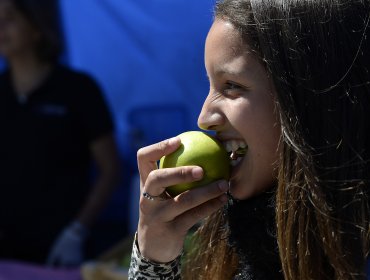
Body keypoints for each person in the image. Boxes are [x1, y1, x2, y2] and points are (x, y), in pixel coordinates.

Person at [128, 0, 370, 279]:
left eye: (231, 86)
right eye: (210, 84)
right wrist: (154, 258)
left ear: (313, 98)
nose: (203, 117)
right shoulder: (245, 240)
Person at [0, 0, 120, 267]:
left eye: (9, 18)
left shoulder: (78, 89)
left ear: (37, 27)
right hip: (8, 250)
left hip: (61, 247)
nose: (0, 27)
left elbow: (110, 169)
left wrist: (77, 231)